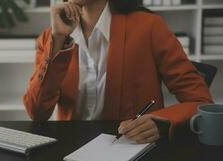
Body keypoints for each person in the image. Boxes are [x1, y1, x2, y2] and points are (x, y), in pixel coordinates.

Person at [23, 0, 213, 143]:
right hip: (70, 151)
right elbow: (37, 113)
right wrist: (57, 40)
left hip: (130, 150)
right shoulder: (52, 36)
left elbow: (199, 100)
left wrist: (161, 123)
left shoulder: (149, 27)